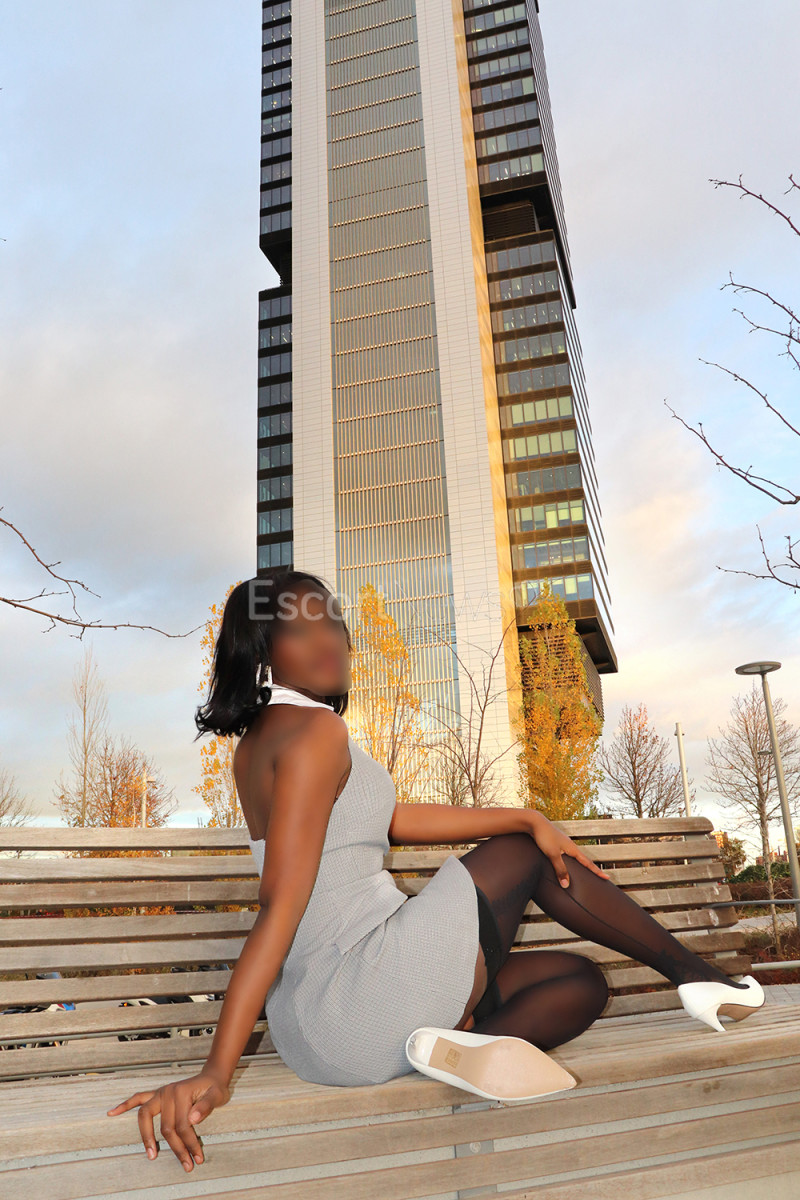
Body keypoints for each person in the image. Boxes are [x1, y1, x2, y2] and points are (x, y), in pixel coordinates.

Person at [106, 570, 764, 1169]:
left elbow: (387, 819)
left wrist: (523, 813)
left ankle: (452, 1047)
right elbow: (281, 903)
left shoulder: (265, 740)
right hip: (352, 990)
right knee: (524, 857)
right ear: (262, 650)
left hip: (316, 1031)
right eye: (299, 629)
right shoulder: (315, 735)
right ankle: (698, 977)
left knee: (580, 982)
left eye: (332, 622)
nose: (328, 640)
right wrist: (216, 1072)